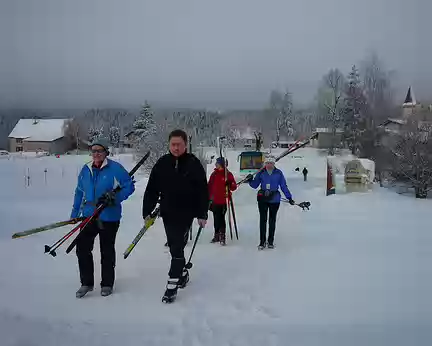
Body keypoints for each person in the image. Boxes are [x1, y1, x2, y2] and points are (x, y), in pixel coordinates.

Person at [142, 129, 209, 303]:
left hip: (187, 213)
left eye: (179, 144)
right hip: (168, 212)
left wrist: (202, 214)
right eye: (173, 144)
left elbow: (203, 191)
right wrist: (147, 212)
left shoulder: (194, 163)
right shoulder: (162, 163)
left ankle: (172, 285)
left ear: (185, 144)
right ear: (169, 145)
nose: (176, 147)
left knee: (177, 245)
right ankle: (184, 273)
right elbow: (151, 190)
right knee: (174, 246)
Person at [70, 138, 135, 298]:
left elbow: (129, 185)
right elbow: (79, 192)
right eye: (94, 151)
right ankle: (86, 283)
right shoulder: (86, 170)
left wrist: (115, 197)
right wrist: (75, 213)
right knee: (82, 248)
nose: (96, 154)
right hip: (88, 215)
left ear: (106, 152)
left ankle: (107, 284)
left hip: (109, 216)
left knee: (106, 250)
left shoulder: (115, 168)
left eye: (100, 150)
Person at [245, 155, 294, 250]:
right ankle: (262, 242)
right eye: (267, 163)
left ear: (274, 164)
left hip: (274, 200)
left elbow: (283, 186)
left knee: (272, 221)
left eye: (271, 163)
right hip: (263, 199)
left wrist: (289, 197)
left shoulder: (278, 173)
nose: (269, 165)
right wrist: (250, 180)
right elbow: (255, 185)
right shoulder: (261, 173)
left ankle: (270, 241)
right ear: (265, 164)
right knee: (263, 220)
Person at [208, 157, 237, 245]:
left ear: (222, 165)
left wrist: (230, 183)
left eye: (218, 163)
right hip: (214, 200)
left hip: (224, 201)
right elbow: (209, 186)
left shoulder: (228, 174)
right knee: (216, 218)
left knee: (221, 218)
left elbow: (234, 187)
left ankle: (222, 235)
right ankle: (216, 234)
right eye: (216, 163)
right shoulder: (214, 174)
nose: (216, 164)